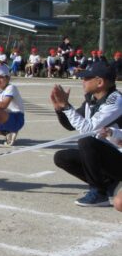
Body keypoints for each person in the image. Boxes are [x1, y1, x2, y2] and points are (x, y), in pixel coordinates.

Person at [51, 62, 122, 206]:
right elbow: (71, 125)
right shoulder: (92, 99)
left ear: (100, 82)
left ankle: (99, 192)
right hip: (107, 156)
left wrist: (67, 106)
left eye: (87, 78)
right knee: (62, 157)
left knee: (86, 141)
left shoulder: (115, 101)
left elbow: (87, 129)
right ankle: (108, 184)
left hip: (119, 155)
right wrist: (60, 109)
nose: (82, 81)